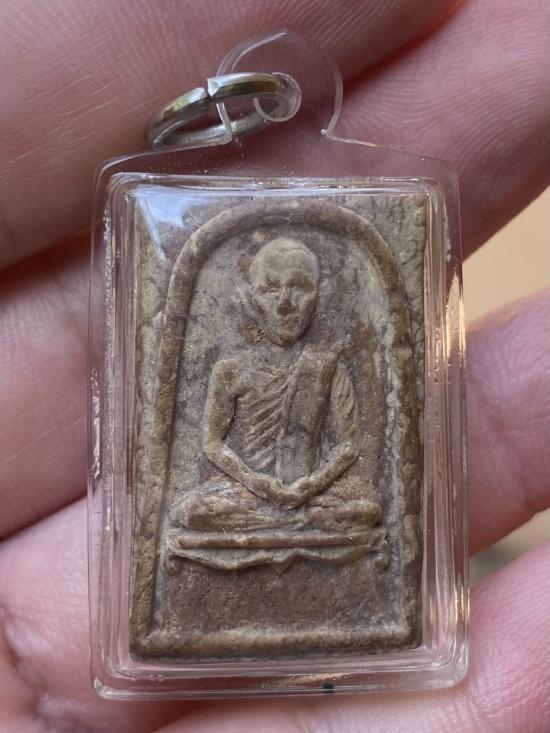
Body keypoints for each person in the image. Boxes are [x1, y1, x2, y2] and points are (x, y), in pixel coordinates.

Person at [0, 1, 547, 732]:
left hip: (321, 495)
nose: (287, 301)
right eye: (273, 289)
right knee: (193, 511)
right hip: (240, 495)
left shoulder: (327, 363)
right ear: (252, 298)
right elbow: (211, 444)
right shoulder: (229, 365)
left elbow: (351, 444)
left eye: (300, 289)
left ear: (317, 296)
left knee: (364, 507)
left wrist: (309, 485)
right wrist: (261, 485)